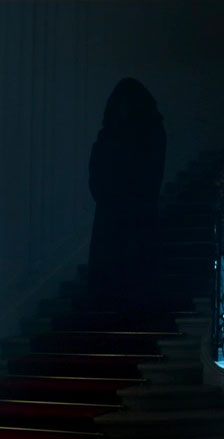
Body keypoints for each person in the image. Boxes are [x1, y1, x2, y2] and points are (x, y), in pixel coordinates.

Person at [87, 78, 166, 313]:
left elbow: (98, 174)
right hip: (123, 213)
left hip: (126, 214)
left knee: (127, 269)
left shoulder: (120, 134)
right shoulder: (127, 134)